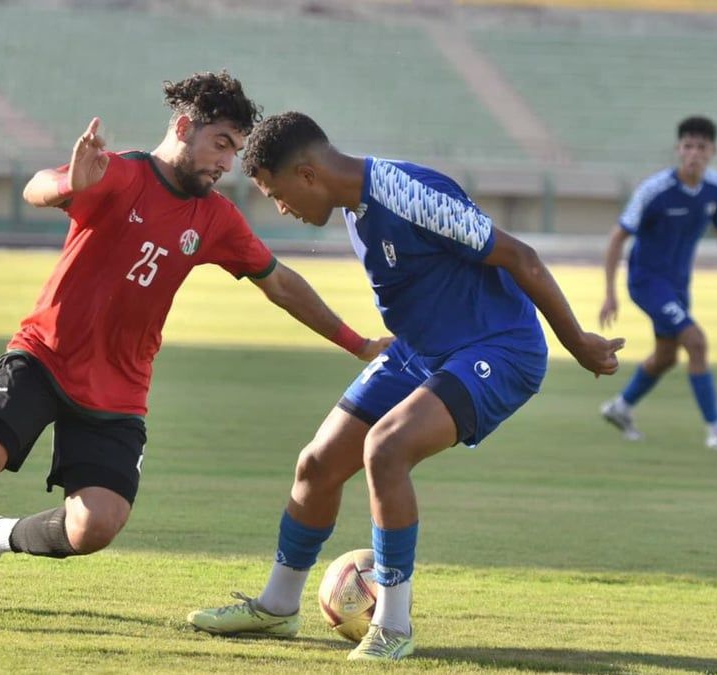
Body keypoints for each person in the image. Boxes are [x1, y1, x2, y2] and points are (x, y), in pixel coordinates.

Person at [0, 72, 392, 630]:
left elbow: (281, 283)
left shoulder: (215, 218)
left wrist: (358, 342)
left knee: (96, 527)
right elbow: (39, 186)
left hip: (119, 389)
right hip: (45, 356)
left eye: (235, 151)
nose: (227, 163)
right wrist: (69, 184)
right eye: (220, 144)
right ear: (183, 128)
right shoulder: (120, 174)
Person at [187, 112, 623, 661]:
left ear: (306, 174)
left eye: (277, 195)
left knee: (386, 449)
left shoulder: (406, 192)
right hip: (421, 348)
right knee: (317, 463)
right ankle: (277, 607)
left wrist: (579, 342)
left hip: (498, 348)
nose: (282, 209)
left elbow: (519, 257)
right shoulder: (352, 201)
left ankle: (393, 626)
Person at [599, 116, 717, 451]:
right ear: (679, 149)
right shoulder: (654, 190)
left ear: (712, 151)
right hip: (647, 282)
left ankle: (620, 408)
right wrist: (610, 292)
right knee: (696, 341)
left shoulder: (716, 190)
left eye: (701, 147)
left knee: (666, 357)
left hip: (678, 286)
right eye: (688, 146)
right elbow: (617, 237)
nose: (694, 153)